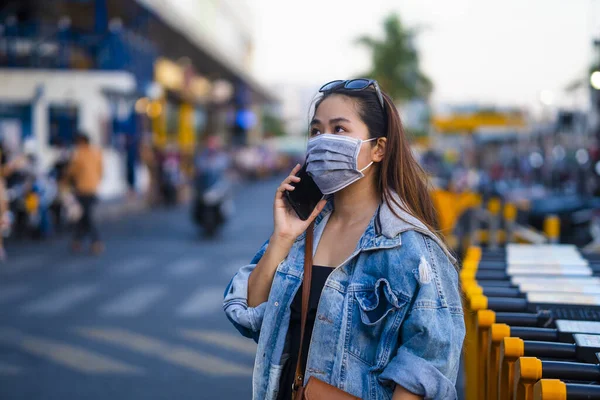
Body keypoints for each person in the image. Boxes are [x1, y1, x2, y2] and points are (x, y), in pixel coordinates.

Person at [224, 79, 464, 399]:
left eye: (339, 130)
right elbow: (252, 315)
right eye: (316, 131)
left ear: (378, 148)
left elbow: (428, 364)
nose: (324, 141)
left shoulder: (412, 249)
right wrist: (282, 237)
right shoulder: (302, 233)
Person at [66, 132, 104, 254]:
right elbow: (101, 170)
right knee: (83, 216)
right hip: (93, 188)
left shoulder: (79, 154)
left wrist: (65, 180)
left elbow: (71, 171)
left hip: (82, 189)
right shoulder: (97, 153)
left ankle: (95, 241)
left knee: (86, 217)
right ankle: (77, 240)